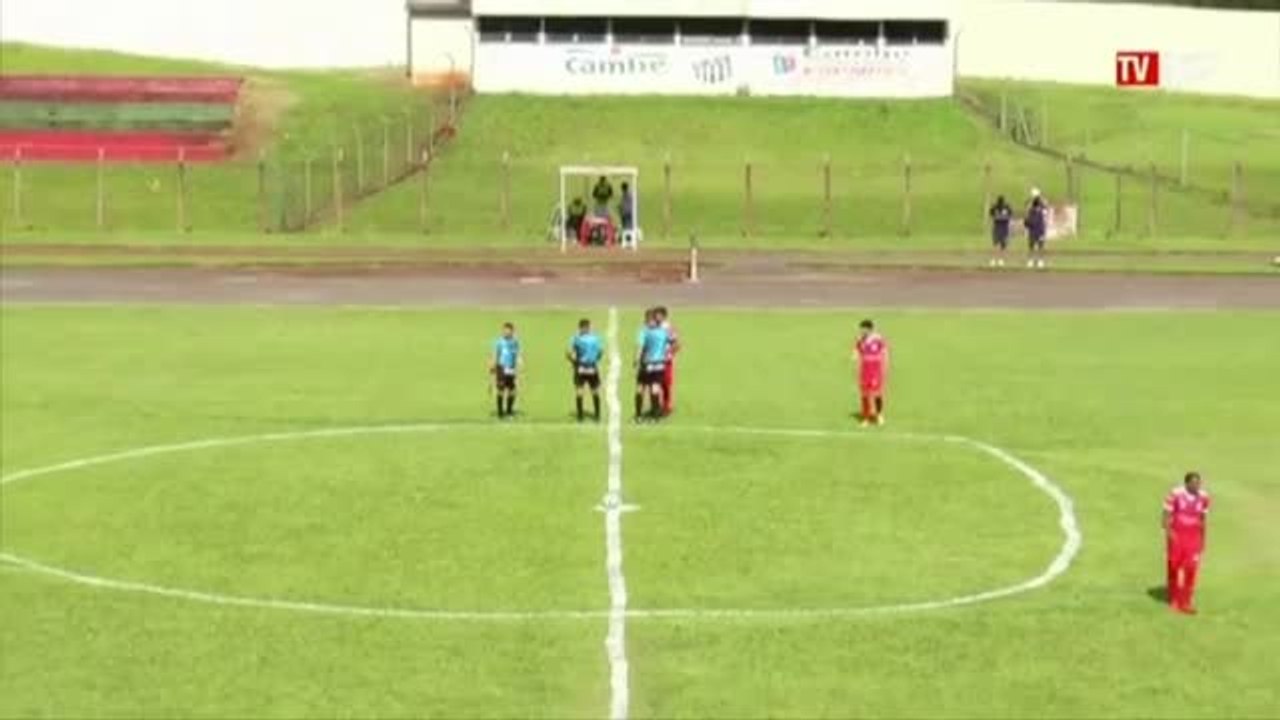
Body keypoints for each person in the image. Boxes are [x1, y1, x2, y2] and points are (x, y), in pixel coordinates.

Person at [1163, 471, 1211, 615]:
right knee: (1174, 566)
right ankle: (1174, 599)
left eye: (1199, 483)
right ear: (1187, 483)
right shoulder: (1175, 494)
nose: (1197, 486)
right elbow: (1166, 515)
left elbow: (1202, 519)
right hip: (1177, 536)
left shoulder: (1204, 497)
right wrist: (1169, 532)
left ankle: (1186, 602)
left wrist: (1203, 538)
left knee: (1191, 568)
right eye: (1194, 483)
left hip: (1193, 538)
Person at [633, 309, 670, 422]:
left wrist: (636, 359)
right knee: (655, 389)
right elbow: (673, 343)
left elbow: (640, 347)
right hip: (659, 364)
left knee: (640, 388)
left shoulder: (644, 332)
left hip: (646, 364)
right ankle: (655, 417)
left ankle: (638, 415)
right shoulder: (664, 332)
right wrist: (667, 355)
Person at [852, 319, 889, 426]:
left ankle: (879, 415)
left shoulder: (878, 339)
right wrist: (854, 355)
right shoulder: (860, 340)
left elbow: (885, 351)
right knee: (864, 395)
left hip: (875, 370)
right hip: (864, 371)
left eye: (863, 329)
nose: (862, 331)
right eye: (861, 329)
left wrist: (885, 366)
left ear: (870, 329)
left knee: (877, 393)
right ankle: (866, 417)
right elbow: (856, 350)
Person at [567, 317, 603, 422]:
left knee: (579, 391)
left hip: (580, 367)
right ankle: (597, 415)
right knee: (595, 391)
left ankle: (580, 416)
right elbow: (600, 352)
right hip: (592, 367)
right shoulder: (595, 338)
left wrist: (573, 362)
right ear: (588, 327)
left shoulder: (575, 338)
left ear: (580, 327)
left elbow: (568, 352)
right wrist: (596, 359)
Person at [490, 322, 522, 419]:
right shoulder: (499, 342)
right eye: (505, 330)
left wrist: (519, 364)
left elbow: (517, 354)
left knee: (512, 390)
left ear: (512, 331)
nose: (506, 332)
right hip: (501, 367)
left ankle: (509, 411)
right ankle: (500, 413)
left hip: (511, 368)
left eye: (509, 331)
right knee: (501, 390)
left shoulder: (515, 342)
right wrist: (493, 365)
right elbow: (495, 354)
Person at [653, 306, 680, 416]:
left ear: (664, 316)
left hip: (665, 361)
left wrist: (669, 354)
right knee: (655, 384)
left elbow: (676, 344)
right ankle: (656, 406)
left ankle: (666, 407)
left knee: (665, 384)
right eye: (655, 315)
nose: (656, 317)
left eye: (658, 315)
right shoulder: (653, 328)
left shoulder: (668, 329)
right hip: (654, 360)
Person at [1024, 189, 1048, 269]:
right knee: (1031, 245)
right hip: (1033, 229)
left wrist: (1041, 202)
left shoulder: (1042, 205)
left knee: (1040, 245)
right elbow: (1027, 212)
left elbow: (1045, 210)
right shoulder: (1030, 206)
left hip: (1040, 228)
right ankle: (1031, 260)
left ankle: (1040, 261)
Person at [988, 194, 1013, 267]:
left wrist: (999, 217)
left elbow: (1010, 215)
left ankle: (999, 260)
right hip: (999, 227)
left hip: (1002, 227)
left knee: (1001, 244)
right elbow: (991, 214)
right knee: (997, 244)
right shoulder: (996, 207)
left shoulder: (1006, 207)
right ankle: (996, 260)